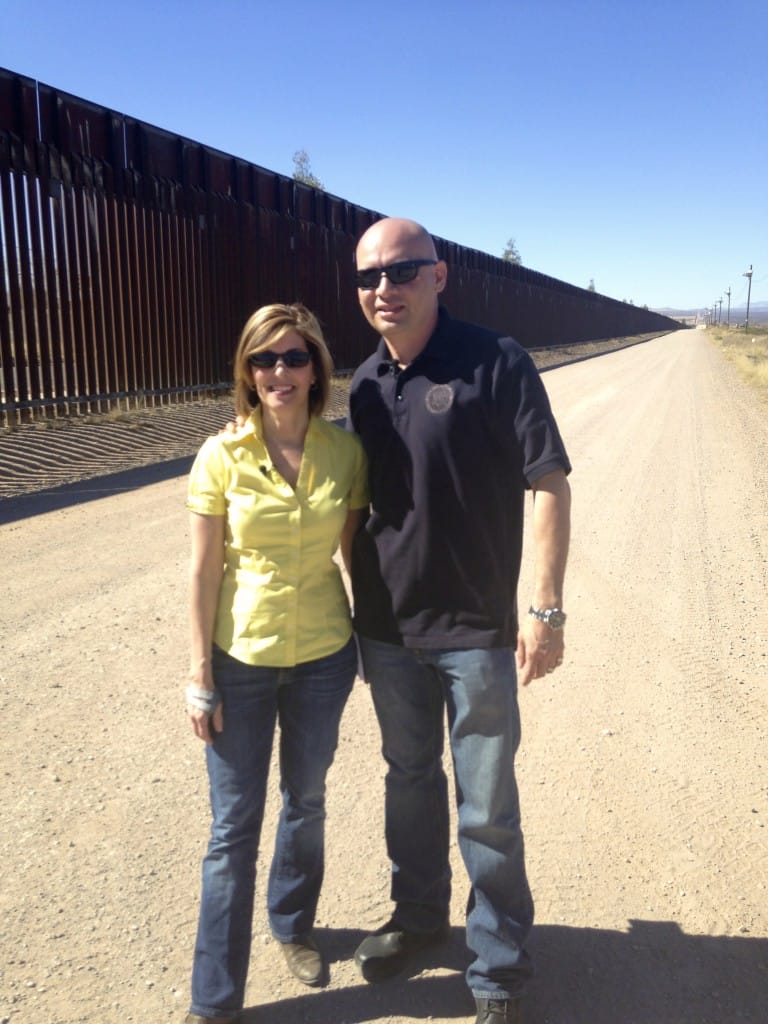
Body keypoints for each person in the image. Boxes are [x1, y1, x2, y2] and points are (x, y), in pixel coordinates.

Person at [347, 218, 571, 1024]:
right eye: (370, 276)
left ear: (438, 276)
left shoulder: (495, 361)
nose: (384, 288)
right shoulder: (365, 383)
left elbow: (548, 483)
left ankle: (500, 969)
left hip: (475, 628)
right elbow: (349, 504)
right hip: (386, 627)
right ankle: (417, 919)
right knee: (408, 783)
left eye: (402, 270)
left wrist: (543, 608)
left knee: (486, 807)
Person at [183, 303, 369, 1024]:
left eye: (294, 358)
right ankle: (215, 999)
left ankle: (293, 928)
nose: (279, 373)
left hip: (325, 654)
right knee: (232, 831)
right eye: (264, 360)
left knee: (307, 801)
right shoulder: (220, 454)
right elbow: (201, 574)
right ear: (247, 370)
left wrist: (375, 648)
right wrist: (199, 673)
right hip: (241, 660)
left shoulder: (344, 452)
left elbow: (353, 557)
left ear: (316, 368)